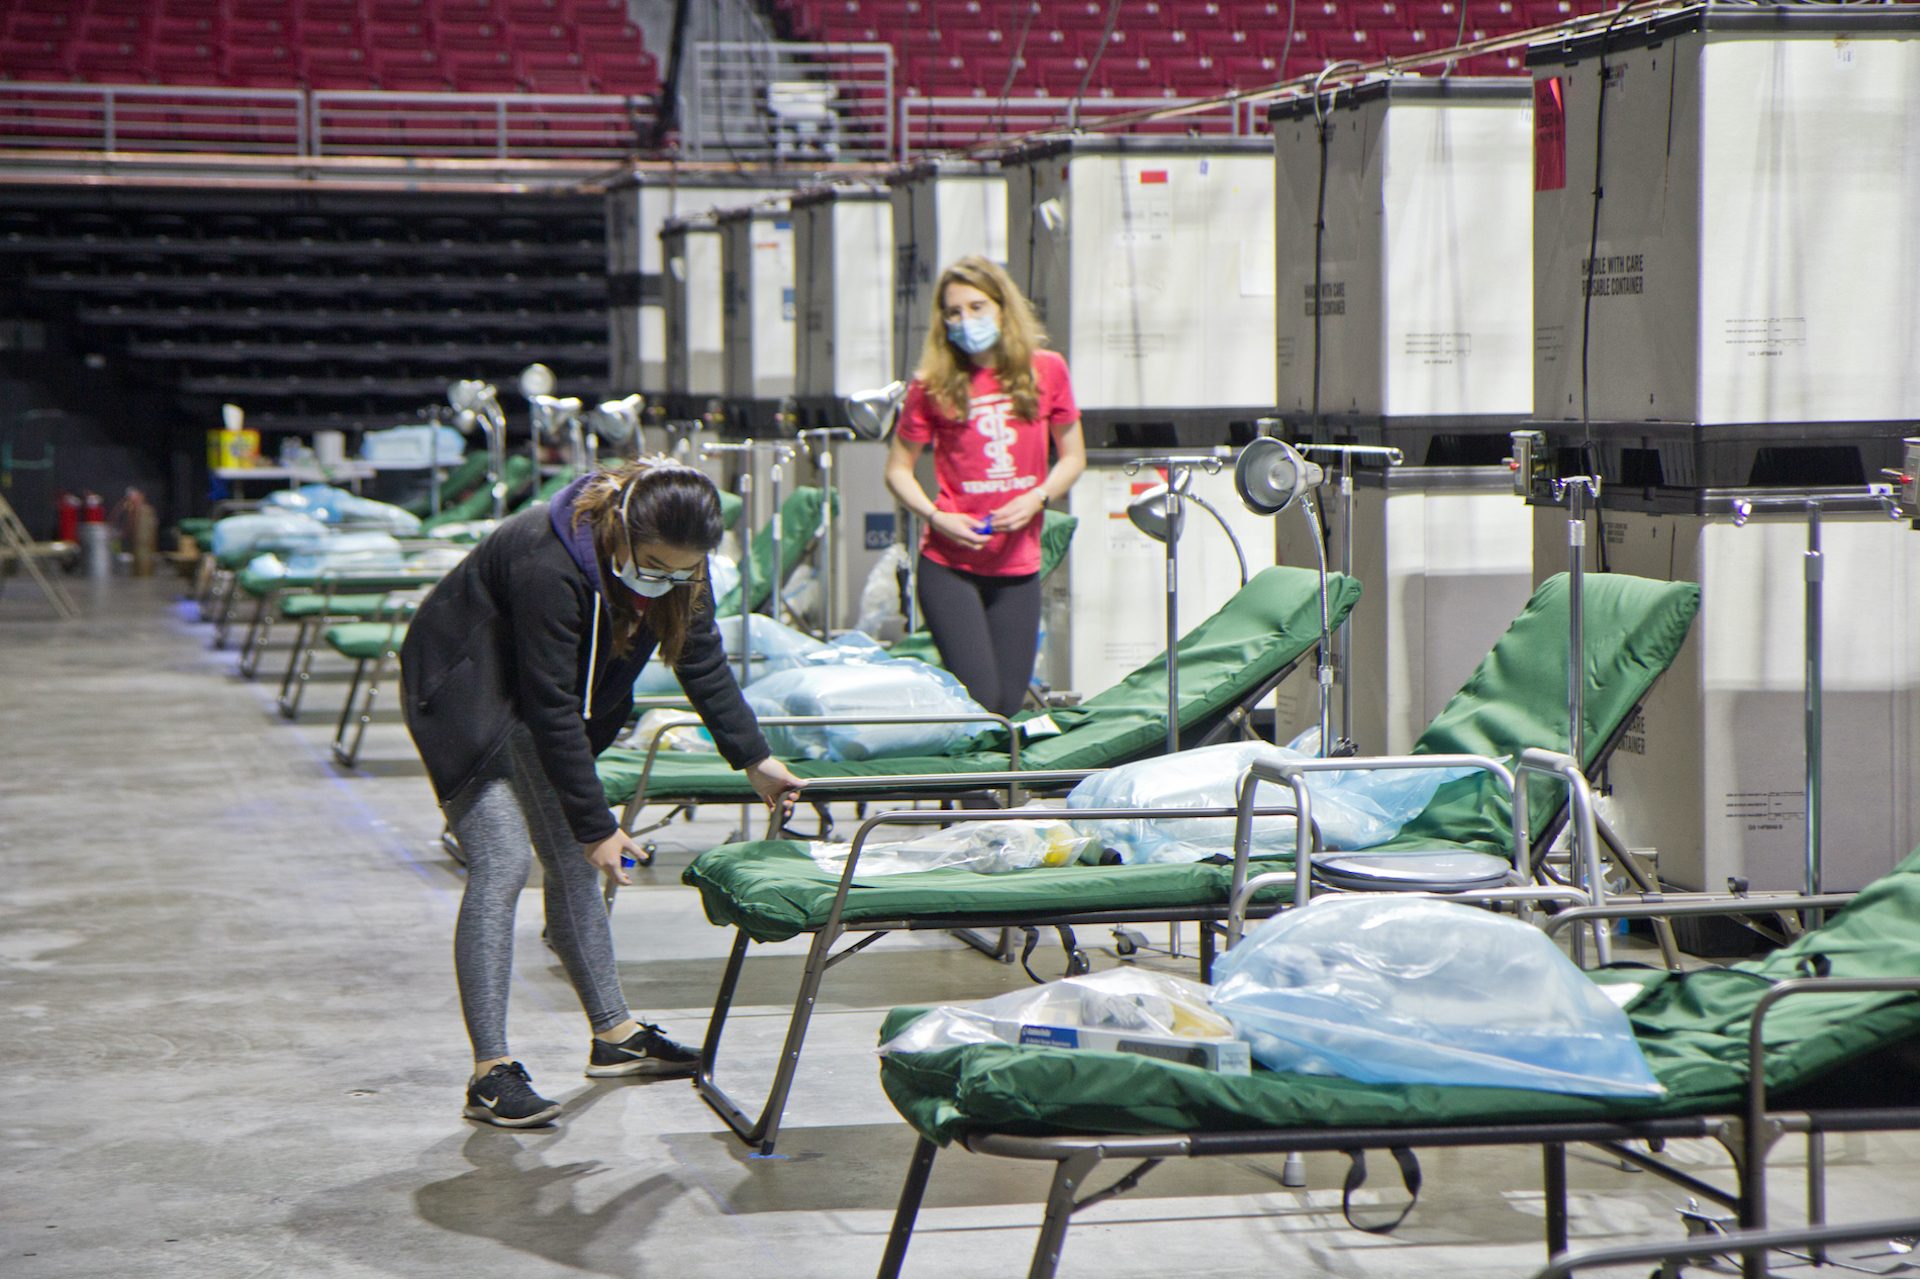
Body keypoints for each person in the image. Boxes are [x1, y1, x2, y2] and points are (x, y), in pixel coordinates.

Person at [401, 458, 804, 1128]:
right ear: (619, 528)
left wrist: (755, 759)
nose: (668, 580)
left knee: (571, 851)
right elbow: (551, 704)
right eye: (655, 564)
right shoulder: (546, 560)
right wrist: (596, 825)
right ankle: (489, 1072)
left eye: (683, 570)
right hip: (463, 689)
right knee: (503, 859)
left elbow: (699, 656)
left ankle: (615, 1037)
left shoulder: (675, 563)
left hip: (535, 698)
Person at [883, 255, 1086, 718]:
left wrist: (1038, 496)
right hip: (950, 565)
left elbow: (1073, 456)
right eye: (953, 312)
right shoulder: (932, 384)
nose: (964, 320)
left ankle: (980, 791)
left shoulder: (1047, 370)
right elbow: (897, 469)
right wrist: (936, 516)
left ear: (1002, 307)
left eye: (976, 307)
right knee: (979, 700)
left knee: (1007, 707)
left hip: (1017, 568)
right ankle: (970, 793)